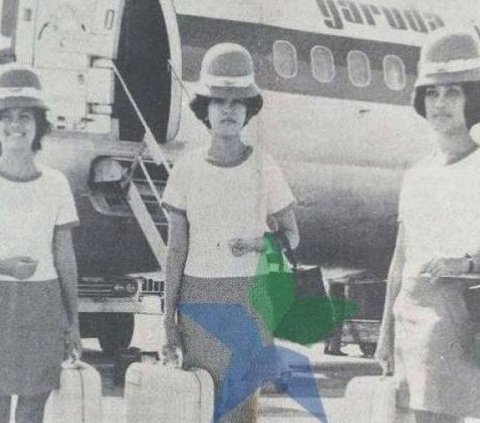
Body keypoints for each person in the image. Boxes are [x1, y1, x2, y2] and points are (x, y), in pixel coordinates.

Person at [161, 43, 299, 422]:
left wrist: (260, 243)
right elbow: (175, 251)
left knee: (241, 410)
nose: (227, 109)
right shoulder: (186, 169)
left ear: (249, 110)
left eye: (237, 102)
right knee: (201, 404)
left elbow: (292, 236)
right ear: (204, 108)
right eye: (218, 100)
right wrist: (167, 319)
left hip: (248, 298)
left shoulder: (265, 167)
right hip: (197, 298)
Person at [375, 29, 480, 423]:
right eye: (432, 94)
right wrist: (385, 333)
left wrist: (464, 264)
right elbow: (399, 260)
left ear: (472, 99)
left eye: (452, 92)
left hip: (453, 321)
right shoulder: (416, 174)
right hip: (408, 324)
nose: (440, 104)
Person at [0, 67, 82, 423]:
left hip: (43, 307)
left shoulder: (56, 184)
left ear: (39, 125)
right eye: (6, 116)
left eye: (25, 116)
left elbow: (65, 256)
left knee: (34, 406)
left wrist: (74, 321)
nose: (15, 124)